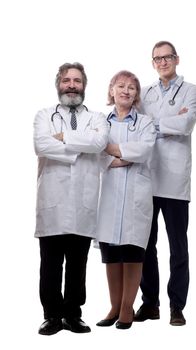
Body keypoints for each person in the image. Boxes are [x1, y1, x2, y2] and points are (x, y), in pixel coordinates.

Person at [33, 62, 109, 335]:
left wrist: (64, 138)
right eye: (67, 80)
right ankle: (51, 316)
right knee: (50, 264)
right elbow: (41, 144)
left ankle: (73, 315)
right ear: (59, 84)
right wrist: (80, 143)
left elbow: (99, 143)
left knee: (78, 263)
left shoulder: (97, 118)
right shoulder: (44, 115)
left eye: (77, 81)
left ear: (84, 85)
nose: (72, 86)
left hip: (83, 203)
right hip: (52, 201)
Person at [134, 41, 196, 326]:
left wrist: (155, 126)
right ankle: (150, 304)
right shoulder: (144, 93)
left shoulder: (191, 90)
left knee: (178, 246)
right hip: (147, 177)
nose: (163, 62)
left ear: (177, 59)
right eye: (157, 58)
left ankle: (177, 305)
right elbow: (137, 125)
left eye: (167, 57)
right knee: (145, 245)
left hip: (174, 180)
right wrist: (169, 122)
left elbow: (186, 125)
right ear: (153, 63)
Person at [95, 70, 156, 330]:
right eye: (120, 86)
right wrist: (119, 155)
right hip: (108, 193)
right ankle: (113, 305)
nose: (126, 91)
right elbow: (95, 149)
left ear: (136, 95)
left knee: (132, 251)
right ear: (111, 91)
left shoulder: (145, 122)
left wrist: (114, 151)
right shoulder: (100, 122)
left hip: (135, 195)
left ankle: (127, 307)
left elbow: (144, 150)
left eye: (132, 88)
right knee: (111, 251)